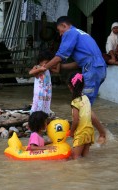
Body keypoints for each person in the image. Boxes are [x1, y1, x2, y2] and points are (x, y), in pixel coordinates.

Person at [41, 16, 107, 145]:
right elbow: (79, 63)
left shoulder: (70, 32)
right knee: (85, 104)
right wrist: (61, 68)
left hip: (92, 69)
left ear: (65, 26)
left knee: (83, 106)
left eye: (60, 31)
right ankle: (88, 133)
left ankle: (102, 134)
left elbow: (61, 55)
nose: (60, 35)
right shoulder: (81, 33)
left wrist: (43, 68)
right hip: (98, 68)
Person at [67, 72, 94, 159]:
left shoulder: (75, 102)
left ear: (70, 87)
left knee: (75, 158)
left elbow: (76, 120)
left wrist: (71, 132)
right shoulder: (86, 98)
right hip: (89, 131)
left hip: (81, 133)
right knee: (85, 158)